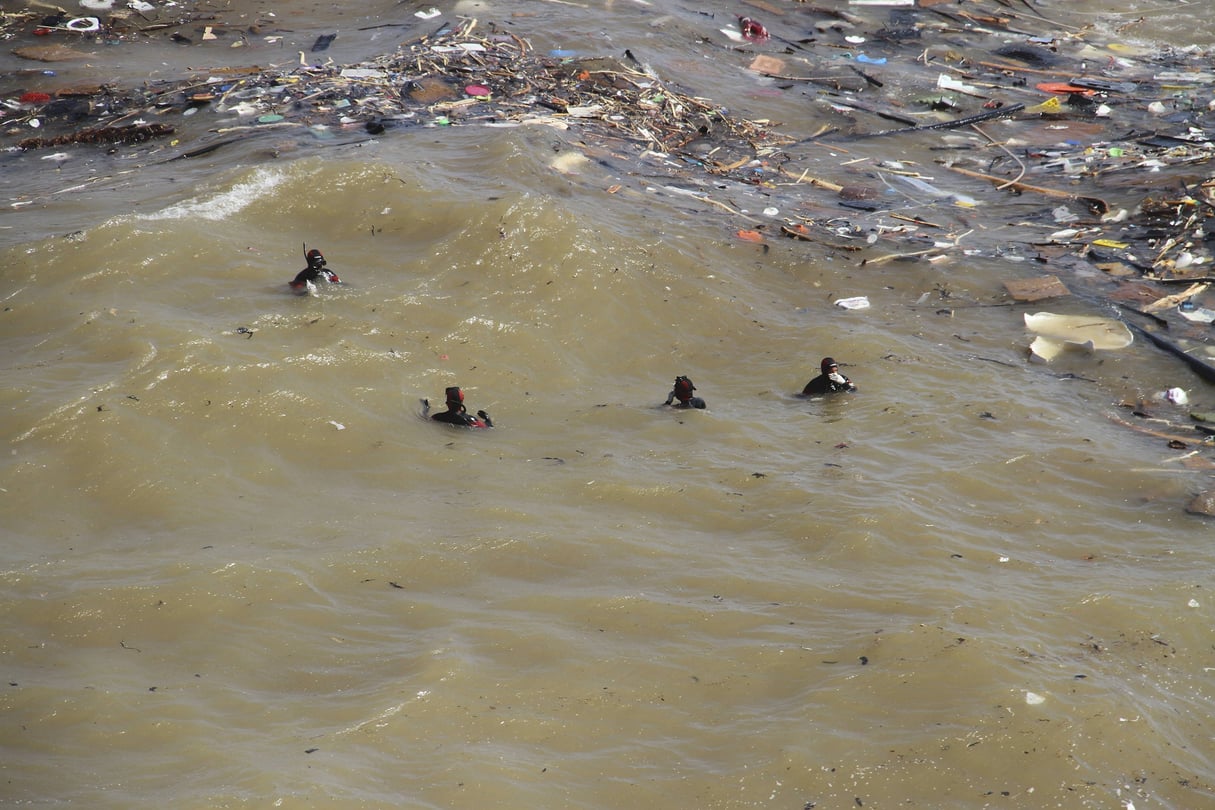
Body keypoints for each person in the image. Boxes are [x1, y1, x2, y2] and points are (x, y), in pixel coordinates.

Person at [424, 386, 493, 428]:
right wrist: (487, 418)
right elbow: (488, 427)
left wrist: (426, 408)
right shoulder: (470, 420)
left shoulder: (439, 417)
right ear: (462, 402)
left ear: (447, 403)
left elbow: (425, 418)